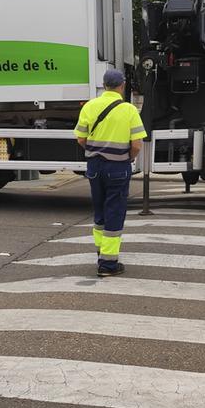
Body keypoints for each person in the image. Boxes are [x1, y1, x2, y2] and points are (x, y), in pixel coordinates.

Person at [75, 69, 146, 277]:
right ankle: (108, 264)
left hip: (95, 166)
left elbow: (80, 138)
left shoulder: (90, 106)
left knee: (99, 210)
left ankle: (101, 252)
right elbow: (137, 144)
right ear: (122, 86)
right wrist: (128, 158)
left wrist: (96, 150)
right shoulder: (129, 110)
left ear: (104, 85)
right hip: (118, 167)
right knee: (114, 210)